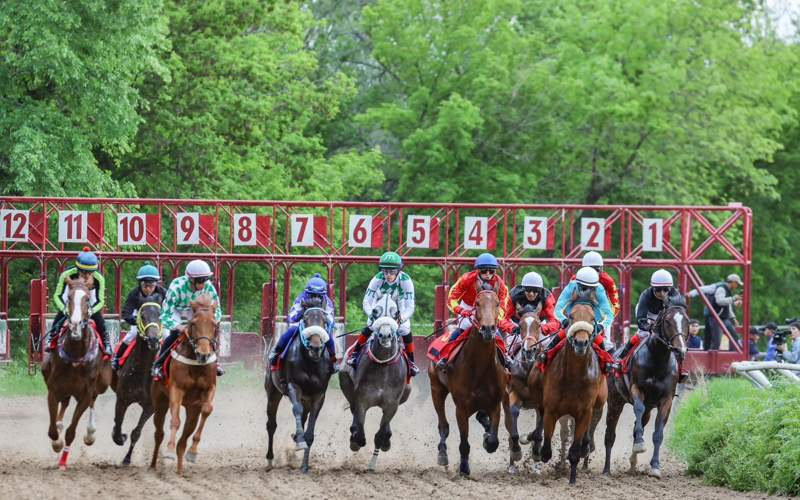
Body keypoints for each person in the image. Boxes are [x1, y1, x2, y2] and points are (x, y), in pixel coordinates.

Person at [436, 253, 514, 369]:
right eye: (484, 271)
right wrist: (461, 310)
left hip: (489, 310)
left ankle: (505, 355)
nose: (488, 274)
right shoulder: (466, 279)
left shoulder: (500, 284)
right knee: (462, 328)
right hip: (468, 307)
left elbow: (504, 305)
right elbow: (451, 299)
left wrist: (496, 316)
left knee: (496, 332)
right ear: (478, 270)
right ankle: (446, 356)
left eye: (491, 271)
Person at [348, 252, 418, 375]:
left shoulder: (406, 281)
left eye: (392, 272)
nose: (388, 275)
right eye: (385, 271)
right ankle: (355, 354)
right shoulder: (377, 279)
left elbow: (410, 306)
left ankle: (411, 362)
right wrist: (372, 315)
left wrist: (402, 318)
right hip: (379, 309)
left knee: (405, 330)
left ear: (399, 270)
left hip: (398, 310)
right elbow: (367, 302)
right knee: (369, 326)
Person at [151, 260, 223, 380]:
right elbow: (165, 315)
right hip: (178, 312)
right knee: (174, 335)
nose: (203, 284)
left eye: (205, 280)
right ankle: (158, 364)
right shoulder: (176, 286)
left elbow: (218, 311)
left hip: (198, 314)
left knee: (208, 333)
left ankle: (216, 362)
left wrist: (210, 322)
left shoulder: (208, 287)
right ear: (191, 280)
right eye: (200, 281)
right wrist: (179, 327)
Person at [614, 269, 688, 382]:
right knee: (641, 335)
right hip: (649, 315)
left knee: (677, 342)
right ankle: (621, 360)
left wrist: (666, 300)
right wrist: (648, 327)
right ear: (653, 288)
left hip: (666, 316)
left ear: (670, 288)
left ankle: (680, 370)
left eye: (665, 289)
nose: (662, 293)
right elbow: (640, 319)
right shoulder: (646, 295)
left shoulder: (675, 294)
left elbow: (681, 309)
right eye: (658, 289)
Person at [536, 267, 615, 366]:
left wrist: (601, 325)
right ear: (578, 284)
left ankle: (607, 364)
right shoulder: (571, 287)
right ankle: (546, 355)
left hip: (590, 324)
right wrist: (563, 320)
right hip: (572, 323)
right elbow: (558, 309)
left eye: (591, 288)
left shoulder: (599, 289)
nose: (587, 291)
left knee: (602, 343)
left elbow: (609, 314)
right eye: (584, 287)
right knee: (558, 337)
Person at [44, 247, 111, 358]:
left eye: (89, 273)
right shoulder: (66, 275)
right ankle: (51, 339)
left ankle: (107, 343)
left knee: (99, 319)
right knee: (59, 316)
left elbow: (100, 301)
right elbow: (57, 295)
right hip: (70, 297)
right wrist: (65, 309)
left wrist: (91, 310)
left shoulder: (99, 279)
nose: (86, 275)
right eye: (83, 272)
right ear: (77, 268)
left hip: (90, 299)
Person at [268, 273, 337, 371]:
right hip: (303, 323)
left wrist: (326, 320)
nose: (315, 297)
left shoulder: (327, 301)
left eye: (319, 295)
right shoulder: (301, 298)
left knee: (329, 337)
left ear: (323, 294)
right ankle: (276, 353)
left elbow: (331, 318)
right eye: (312, 294)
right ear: (307, 292)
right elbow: (291, 317)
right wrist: (302, 313)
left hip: (319, 324)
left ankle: (333, 361)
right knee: (291, 331)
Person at [112, 263, 167, 371]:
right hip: (140, 318)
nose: (148, 289)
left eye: (151, 286)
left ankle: (167, 362)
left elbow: (169, 310)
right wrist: (135, 321)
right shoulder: (134, 294)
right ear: (140, 284)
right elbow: (126, 313)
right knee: (130, 335)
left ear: (156, 284)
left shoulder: (163, 293)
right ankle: (117, 360)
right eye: (145, 286)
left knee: (167, 335)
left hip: (157, 319)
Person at [687, 274, 742, 350]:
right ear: (733, 282)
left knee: (734, 336)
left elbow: (727, 304)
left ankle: (730, 355)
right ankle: (712, 359)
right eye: (737, 284)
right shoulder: (720, 288)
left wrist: (733, 318)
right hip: (715, 318)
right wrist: (733, 299)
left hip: (723, 318)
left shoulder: (727, 290)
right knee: (716, 342)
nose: (737, 286)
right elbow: (719, 301)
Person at [508, 271, 560, 336]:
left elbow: (555, 320)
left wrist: (543, 328)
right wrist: (512, 328)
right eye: (528, 289)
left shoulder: (546, 297)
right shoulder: (513, 295)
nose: (531, 294)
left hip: (539, 325)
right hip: (517, 325)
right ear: (523, 288)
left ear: (540, 290)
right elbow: (503, 318)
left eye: (536, 290)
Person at [576, 251, 620, 318]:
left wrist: (607, 318)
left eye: (596, 270)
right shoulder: (575, 279)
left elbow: (616, 305)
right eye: (590, 270)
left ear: (601, 269)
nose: (593, 273)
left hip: (600, 311)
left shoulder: (608, 281)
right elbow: (566, 300)